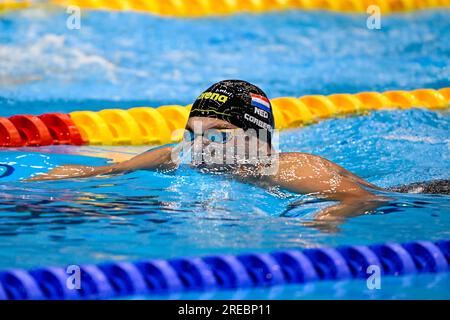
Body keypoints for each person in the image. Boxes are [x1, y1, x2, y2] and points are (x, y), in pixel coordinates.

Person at [27, 80, 447, 224]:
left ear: (256, 138)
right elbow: (116, 168)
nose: (201, 146)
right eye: (194, 133)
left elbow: (364, 198)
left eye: (218, 134)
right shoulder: (186, 156)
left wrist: (325, 220)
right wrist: (78, 174)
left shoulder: (288, 168)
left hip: (417, 196)